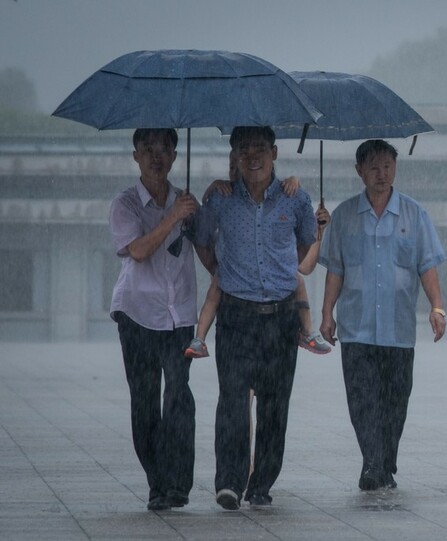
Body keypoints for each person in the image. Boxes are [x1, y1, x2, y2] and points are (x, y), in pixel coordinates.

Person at [195, 126, 317, 510]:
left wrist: (284, 273)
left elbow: (306, 241)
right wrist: (219, 269)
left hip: (281, 319)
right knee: (232, 401)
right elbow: (200, 237)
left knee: (274, 405)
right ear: (235, 156)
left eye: (260, 148)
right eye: (244, 149)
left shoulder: (295, 199)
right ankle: (229, 481)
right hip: (236, 315)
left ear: (275, 152)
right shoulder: (221, 199)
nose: (253, 156)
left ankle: (261, 483)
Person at [319, 139, 447, 491]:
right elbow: (335, 270)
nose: (382, 173)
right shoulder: (344, 216)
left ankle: (384, 460)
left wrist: (437, 307)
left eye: (388, 165)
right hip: (357, 327)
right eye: (373, 166)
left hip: (398, 329)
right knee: (362, 401)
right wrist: (327, 315)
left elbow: (428, 266)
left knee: (394, 403)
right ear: (359, 170)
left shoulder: (414, 214)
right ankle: (373, 465)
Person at [108, 128, 198, 511]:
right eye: (148, 150)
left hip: (179, 314)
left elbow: (209, 247)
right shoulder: (125, 204)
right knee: (145, 402)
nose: (156, 157)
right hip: (138, 313)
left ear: (176, 156)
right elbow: (139, 251)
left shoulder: (187, 202)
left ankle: (178, 483)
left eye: (164, 149)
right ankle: (157, 482)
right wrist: (172, 217)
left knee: (179, 397)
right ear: (135, 156)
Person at [184, 152, 331, 358]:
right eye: (233, 167)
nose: (236, 171)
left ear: (273, 155)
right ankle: (199, 338)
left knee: (297, 280)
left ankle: (308, 331)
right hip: (233, 280)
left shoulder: (286, 197)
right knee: (215, 290)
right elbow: (203, 233)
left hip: (272, 291)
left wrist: (316, 229)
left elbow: (304, 265)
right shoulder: (224, 197)